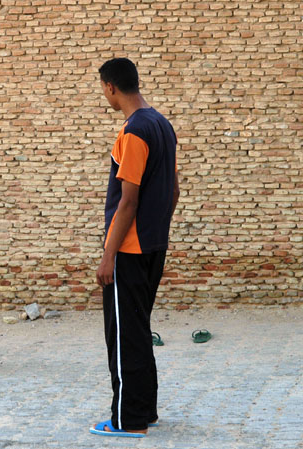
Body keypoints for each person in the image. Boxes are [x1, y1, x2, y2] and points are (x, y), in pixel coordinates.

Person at [90, 58, 180, 438]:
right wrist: (158, 230)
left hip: (129, 249)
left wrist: (108, 253)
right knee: (138, 330)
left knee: (124, 335)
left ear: (111, 87)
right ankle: (148, 411)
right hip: (154, 243)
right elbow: (173, 190)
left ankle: (129, 421)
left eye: (103, 89)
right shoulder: (162, 123)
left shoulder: (134, 131)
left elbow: (128, 200)